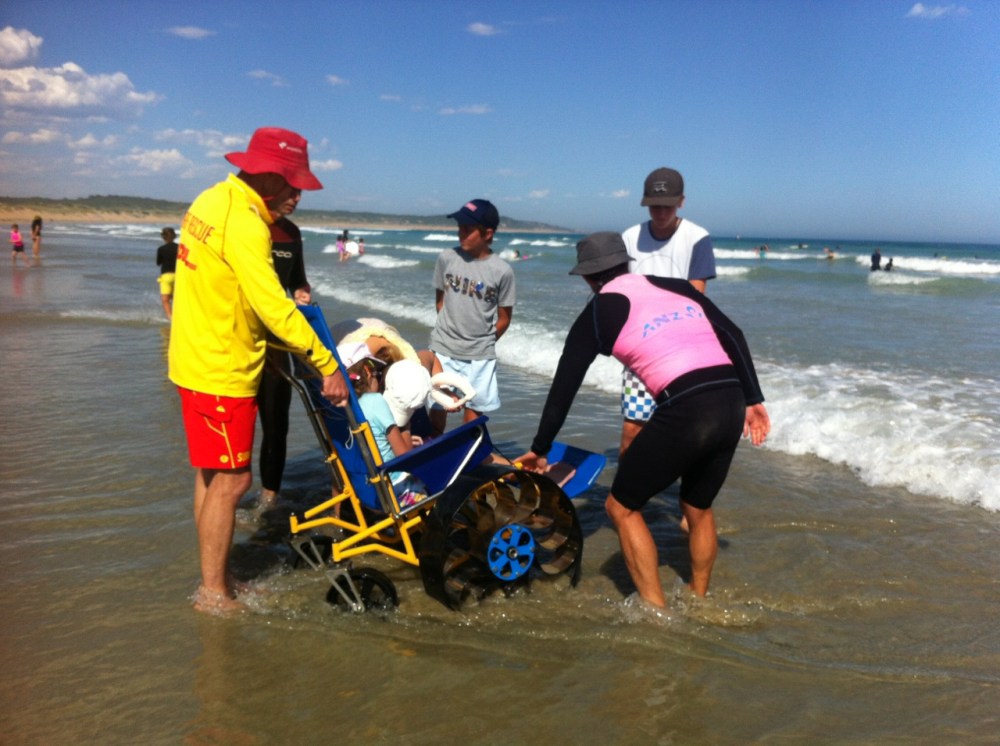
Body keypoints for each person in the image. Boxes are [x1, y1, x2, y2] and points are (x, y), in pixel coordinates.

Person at [518, 233, 770, 610]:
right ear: (625, 263)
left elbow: (564, 387)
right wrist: (753, 399)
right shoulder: (676, 286)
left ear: (587, 276)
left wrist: (540, 448)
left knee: (620, 507)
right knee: (697, 507)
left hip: (687, 406)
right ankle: (698, 597)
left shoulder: (597, 313)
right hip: (730, 397)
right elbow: (733, 334)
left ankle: (657, 612)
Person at [168, 126, 349, 614]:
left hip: (192, 357)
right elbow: (273, 306)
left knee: (211, 475)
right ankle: (213, 592)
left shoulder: (210, 199)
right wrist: (326, 364)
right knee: (233, 482)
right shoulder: (247, 224)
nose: (297, 196)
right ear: (266, 174)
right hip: (221, 370)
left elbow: (224, 289)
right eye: (292, 184)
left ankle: (219, 577)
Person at [618, 167, 717, 457]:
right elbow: (620, 290)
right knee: (633, 428)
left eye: (667, 206)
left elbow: (697, 296)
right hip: (640, 349)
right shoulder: (630, 237)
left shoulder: (697, 237)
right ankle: (628, 484)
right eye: (654, 206)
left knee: (681, 429)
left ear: (681, 202)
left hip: (683, 351)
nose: (661, 213)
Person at [428, 199, 515, 436]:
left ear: (488, 234)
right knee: (438, 408)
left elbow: (504, 318)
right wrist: (449, 332)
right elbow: (440, 302)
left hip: (479, 357)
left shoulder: (502, 271)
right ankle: (434, 451)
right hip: (444, 349)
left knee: (472, 422)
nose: (461, 233)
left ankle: (468, 454)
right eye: (460, 227)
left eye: (468, 229)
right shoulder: (447, 258)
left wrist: (483, 342)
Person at [255, 216, 312, 510]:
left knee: (276, 426)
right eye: (291, 192)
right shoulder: (244, 224)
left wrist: (301, 292)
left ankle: (268, 498)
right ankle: (227, 494)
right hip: (237, 343)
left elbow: (297, 280)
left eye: (298, 193)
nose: (296, 197)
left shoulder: (290, 233)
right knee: (236, 430)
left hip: (277, 346)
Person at [155, 227, 179, 320]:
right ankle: (178, 317)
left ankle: (171, 318)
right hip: (178, 275)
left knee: (165, 300)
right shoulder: (179, 248)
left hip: (166, 276)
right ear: (174, 236)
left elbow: (158, 263)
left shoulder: (161, 249)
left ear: (163, 237)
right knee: (176, 298)